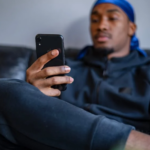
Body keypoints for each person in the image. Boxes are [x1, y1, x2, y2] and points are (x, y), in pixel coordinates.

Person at [0, 0, 150, 150]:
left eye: (112, 18)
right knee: (5, 90)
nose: (101, 26)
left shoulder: (146, 71)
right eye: (95, 20)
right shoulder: (64, 68)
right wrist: (33, 95)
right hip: (62, 138)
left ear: (131, 28)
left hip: (128, 137)